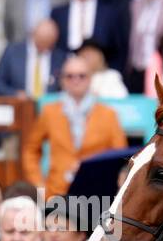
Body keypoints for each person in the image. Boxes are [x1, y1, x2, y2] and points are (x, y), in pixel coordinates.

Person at [23, 56, 129, 201]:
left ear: (90, 79)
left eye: (81, 75)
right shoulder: (50, 112)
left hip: (97, 194)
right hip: (56, 193)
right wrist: (38, 185)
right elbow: (30, 150)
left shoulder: (108, 115)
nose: (76, 80)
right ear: (62, 80)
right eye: (70, 76)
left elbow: (119, 156)